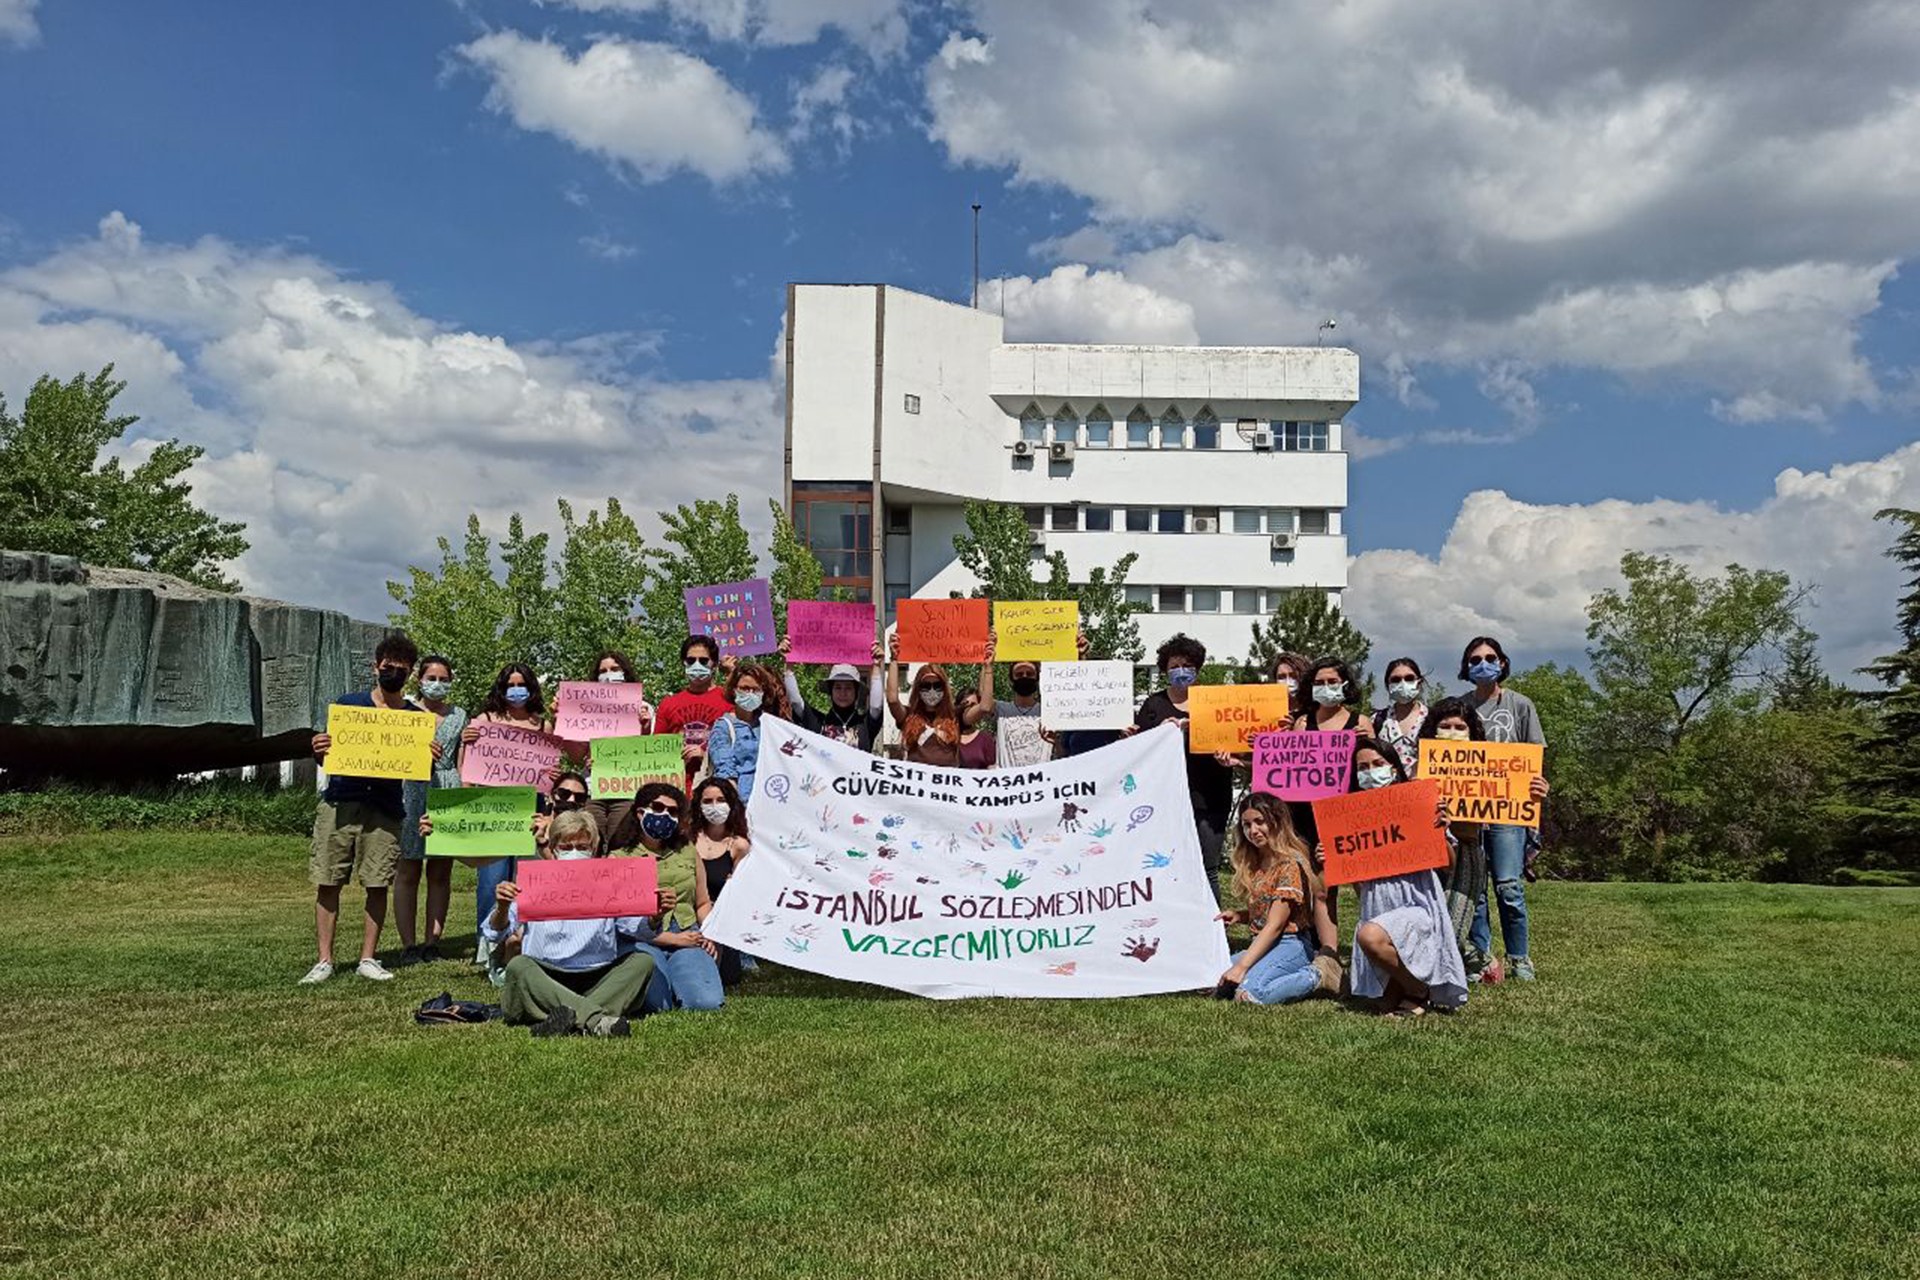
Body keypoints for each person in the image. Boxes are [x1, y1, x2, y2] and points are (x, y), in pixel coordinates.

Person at [302, 631, 434, 985]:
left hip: (386, 807)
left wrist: (429, 756)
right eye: (389, 666)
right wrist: (319, 747)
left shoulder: (414, 717)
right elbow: (325, 758)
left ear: (409, 674)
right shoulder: (349, 705)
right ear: (376, 666)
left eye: (402, 669)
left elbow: (419, 770)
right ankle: (324, 960)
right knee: (328, 880)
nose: (395, 672)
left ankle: (368, 958)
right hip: (340, 802)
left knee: (378, 883)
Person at [481, 809, 665, 1038]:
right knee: (519, 966)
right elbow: (494, 933)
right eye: (566, 848)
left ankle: (566, 1016)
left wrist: (655, 916)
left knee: (643, 961)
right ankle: (596, 1020)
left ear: (594, 848)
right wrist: (502, 907)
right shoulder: (533, 881)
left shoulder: (610, 883)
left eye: (582, 847)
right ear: (554, 849)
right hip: (546, 976)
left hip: (597, 976)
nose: (575, 853)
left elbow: (639, 930)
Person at [1345, 740, 1469, 1016]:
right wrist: (1333, 858)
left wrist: (1439, 833)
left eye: (1378, 765)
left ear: (1394, 768)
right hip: (1378, 900)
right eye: (1362, 767)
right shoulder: (1351, 815)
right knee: (1380, 1004)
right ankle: (1403, 987)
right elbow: (1355, 883)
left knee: (1371, 936)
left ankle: (1417, 988)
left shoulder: (1418, 803)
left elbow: (1449, 863)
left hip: (1417, 898)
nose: (1370, 772)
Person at [1459, 636, 1550, 982]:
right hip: (1470, 810)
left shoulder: (1521, 705)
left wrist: (1540, 788)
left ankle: (1519, 958)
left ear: (1502, 662)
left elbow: (1535, 758)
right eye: (1475, 659)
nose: (1483, 664)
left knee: (1509, 887)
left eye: (1490, 657)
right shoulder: (1460, 707)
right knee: (1476, 890)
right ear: (1466, 667)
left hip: (1509, 811)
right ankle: (1483, 960)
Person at [459, 662, 551, 964]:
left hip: (531, 810)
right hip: (493, 811)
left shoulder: (542, 725)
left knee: (526, 878)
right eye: (510, 685)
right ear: (501, 688)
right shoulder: (484, 721)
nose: (516, 690)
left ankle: (522, 940)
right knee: (491, 879)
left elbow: (551, 772)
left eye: (521, 684)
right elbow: (468, 764)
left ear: (531, 688)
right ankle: (487, 942)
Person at [1131, 634, 1233, 904]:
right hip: (1166, 798)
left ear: (1198, 668)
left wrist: (1229, 755)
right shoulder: (1153, 704)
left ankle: (1214, 929)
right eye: (1174, 665)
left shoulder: (1215, 702)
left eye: (1187, 665)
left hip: (1211, 797)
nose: (1181, 671)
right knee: (1169, 863)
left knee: (1207, 864)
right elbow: (1139, 746)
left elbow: (1236, 740)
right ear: (1164, 669)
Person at [1213, 792, 1341, 1004]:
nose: (1253, 831)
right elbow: (1269, 910)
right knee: (1212, 980)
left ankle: (1317, 975)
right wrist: (1240, 915)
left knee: (1250, 993)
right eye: (1246, 825)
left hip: (1290, 944)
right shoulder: (1254, 862)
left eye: (1260, 822)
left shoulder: (1289, 864)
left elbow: (1276, 924)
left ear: (1277, 822)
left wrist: (1241, 967)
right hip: (1263, 943)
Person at [611, 782, 724, 1012]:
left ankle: (687, 980)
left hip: (688, 934)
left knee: (705, 1003)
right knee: (656, 1005)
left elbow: (702, 902)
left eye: (673, 811)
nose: (665, 815)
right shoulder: (617, 858)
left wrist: (711, 933)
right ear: (640, 812)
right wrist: (672, 940)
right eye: (658, 807)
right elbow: (619, 921)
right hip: (642, 940)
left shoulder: (688, 850)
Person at [395, 653, 468, 965]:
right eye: (432, 678)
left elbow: (466, 758)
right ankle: (409, 943)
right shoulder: (405, 713)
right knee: (408, 868)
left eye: (443, 679)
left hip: (447, 787)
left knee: (441, 870)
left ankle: (432, 941)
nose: (438, 684)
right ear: (419, 680)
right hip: (411, 790)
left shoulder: (460, 715)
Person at [1417, 697, 1496, 981]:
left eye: (1460, 727)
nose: (1452, 732)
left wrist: (1533, 790)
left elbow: (1509, 799)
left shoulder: (1489, 768)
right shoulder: (1418, 768)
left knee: (1455, 924)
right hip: (1428, 855)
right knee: (1429, 922)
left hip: (1466, 850)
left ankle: (1467, 965)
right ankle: (1473, 960)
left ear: (1472, 733)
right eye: (1445, 726)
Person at [885, 641, 995, 767]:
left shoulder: (955, 716)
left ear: (944, 688)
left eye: (937, 685)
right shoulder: (909, 715)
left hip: (946, 784)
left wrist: (988, 667)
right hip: (918, 784)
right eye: (926, 686)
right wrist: (893, 660)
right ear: (918, 689)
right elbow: (892, 700)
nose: (932, 690)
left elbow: (985, 706)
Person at [584, 650, 654, 844]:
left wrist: (645, 727)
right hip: (594, 788)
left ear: (625, 673)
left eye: (615, 669)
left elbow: (650, 754)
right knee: (591, 841)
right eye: (603, 671)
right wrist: (587, 759)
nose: (609, 674)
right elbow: (576, 753)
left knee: (621, 842)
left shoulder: (644, 709)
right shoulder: (587, 710)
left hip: (627, 789)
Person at [654, 635, 735, 791]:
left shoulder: (729, 700)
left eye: (703, 661)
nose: (696, 665)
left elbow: (738, 746)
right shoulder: (668, 704)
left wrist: (706, 755)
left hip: (716, 789)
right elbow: (656, 749)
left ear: (714, 664)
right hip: (678, 789)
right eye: (691, 661)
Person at [693, 776, 752, 985]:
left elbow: (743, 894)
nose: (714, 806)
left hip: (722, 921)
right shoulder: (687, 841)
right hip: (689, 918)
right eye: (707, 801)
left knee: (728, 976)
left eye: (720, 800)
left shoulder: (739, 845)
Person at [705, 661, 790, 803]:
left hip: (770, 801)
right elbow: (726, 772)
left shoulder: (768, 724)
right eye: (744, 688)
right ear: (734, 690)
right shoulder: (723, 727)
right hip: (741, 804)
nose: (750, 693)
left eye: (755, 689)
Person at [780, 640, 887, 751]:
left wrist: (876, 666)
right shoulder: (819, 723)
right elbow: (795, 702)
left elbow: (876, 706)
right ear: (830, 691)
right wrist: (788, 665)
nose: (843, 692)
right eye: (838, 687)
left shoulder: (865, 724)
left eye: (848, 688)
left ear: (856, 692)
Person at [1371, 657, 1429, 777]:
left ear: (1419, 682)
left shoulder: (1432, 718)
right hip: (1387, 791)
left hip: (1422, 790)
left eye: (1409, 678)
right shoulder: (1376, 720)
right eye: (1396, 680)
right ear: (1388, 685)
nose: (1403, 683)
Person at [955, 685, 999, 769]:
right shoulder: (948, 737)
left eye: (973, 705)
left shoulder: (985, 739)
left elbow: (992, 769)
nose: (969, 709)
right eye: (965, 704)